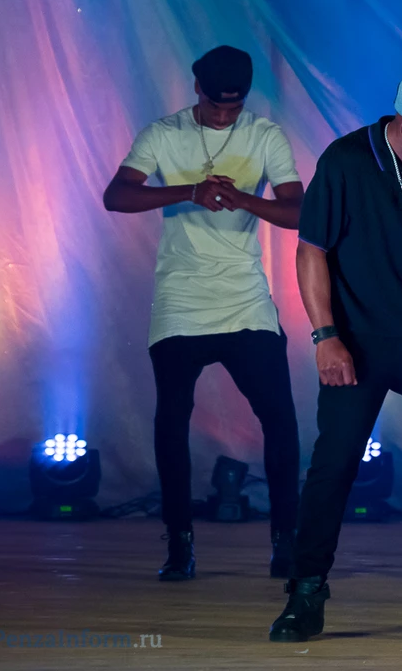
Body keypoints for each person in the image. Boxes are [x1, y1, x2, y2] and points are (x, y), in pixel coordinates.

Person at [268, 75, 402, 645]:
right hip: (357, 340)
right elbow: (311, 250)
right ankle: (305, 594)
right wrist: (325, 336)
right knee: (334, 465)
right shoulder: (345, 161)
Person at [103, 45, 303, 583]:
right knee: (171, 419)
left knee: (279, 419)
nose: (223, 116)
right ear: (197, 89)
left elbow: (298, 210)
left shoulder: (264, 135)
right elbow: (116, 196)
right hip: (181, 297)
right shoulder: (163, 133)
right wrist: (191, 191)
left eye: (233, 108)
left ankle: (286, 540)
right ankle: (179, 543)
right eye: (215, 106)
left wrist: (244, 200)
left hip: (245, 297)